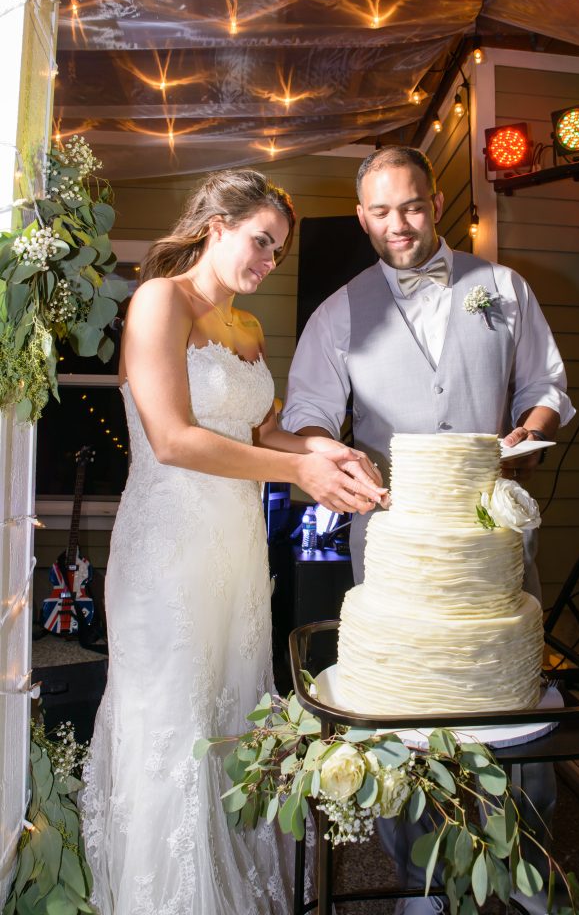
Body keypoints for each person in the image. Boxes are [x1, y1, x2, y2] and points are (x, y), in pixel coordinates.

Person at [80, 169, 386, 915]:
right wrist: (297, 472)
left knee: (230, 719)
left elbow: (256, 431)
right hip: (168, 550)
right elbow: (176, 440)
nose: (267, 261)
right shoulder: (159, 301)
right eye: (260, 242)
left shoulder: (245, 328)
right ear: (216, 224)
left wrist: (328, 452)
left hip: (235, 552)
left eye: (278, 252)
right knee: (173, 719)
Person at [281, 146, 575, 915]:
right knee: (403, 716)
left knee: (512, 696)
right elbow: (306, 413)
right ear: (361, 217)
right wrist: (330, 454)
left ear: (434, 201)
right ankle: (420, 882)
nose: (397, 225)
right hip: (391, 540)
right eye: (379, 212)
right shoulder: (339, 310)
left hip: (488, 543)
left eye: (409, 206)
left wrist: (527, 432)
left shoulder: (501, 288)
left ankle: (524, 862)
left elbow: (546, 385)